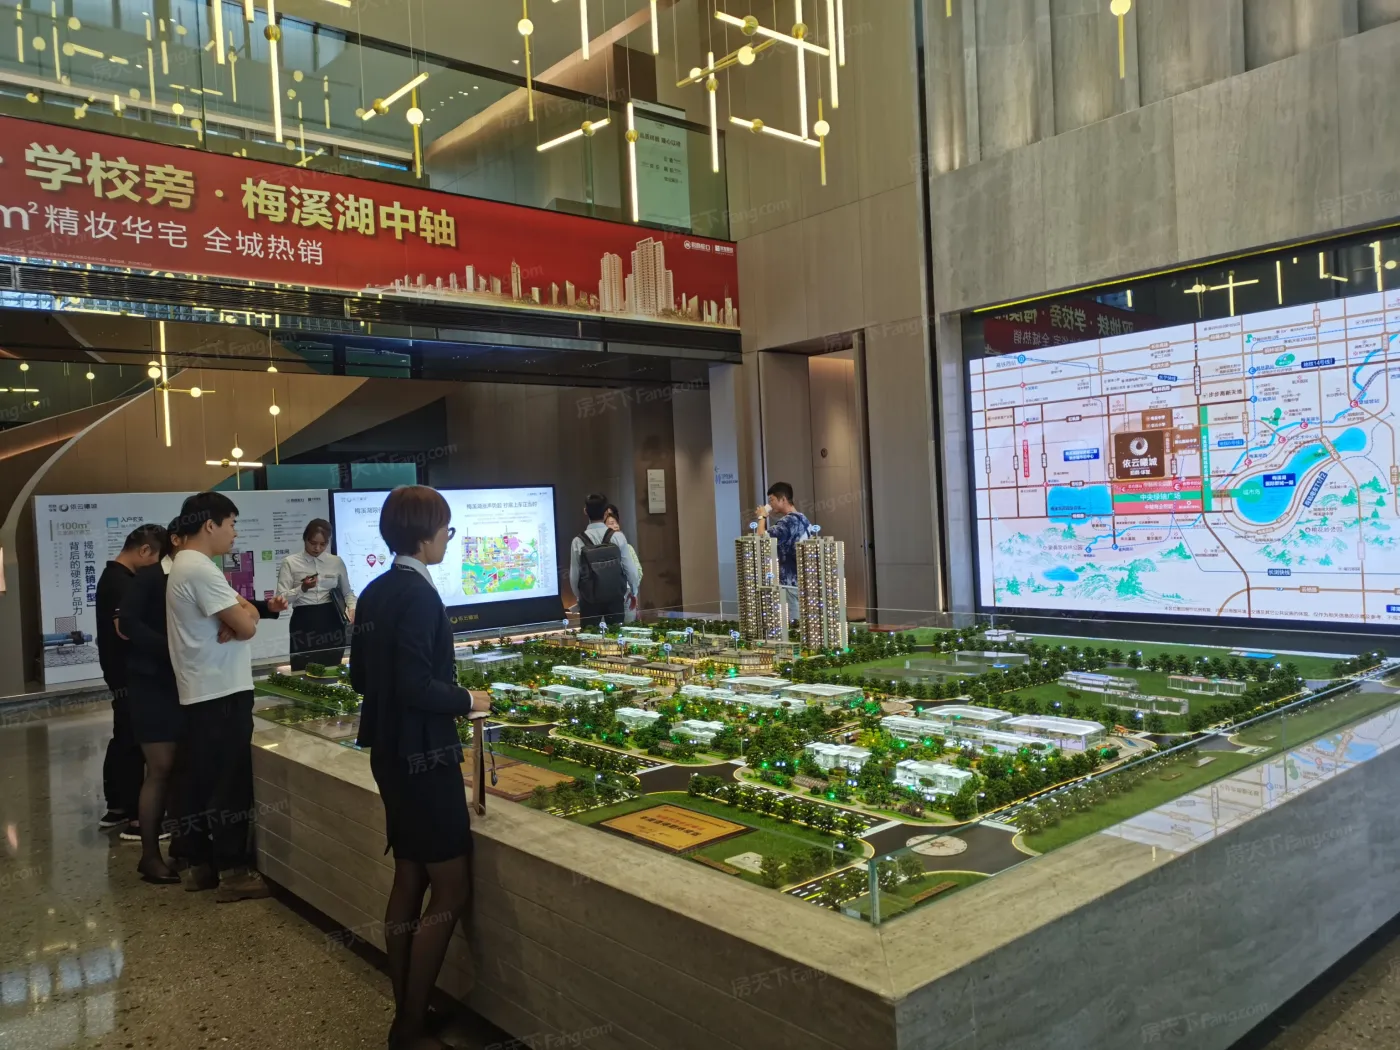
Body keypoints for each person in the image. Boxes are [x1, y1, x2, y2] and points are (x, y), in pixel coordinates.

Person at [352, 486, 489, 1050]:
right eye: (446, 530)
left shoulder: (375, 590)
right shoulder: (421, 596)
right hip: (425, 756)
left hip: (388, 753)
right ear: (426, 534)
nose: (447, 540)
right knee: (450, 889)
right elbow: (416, 685)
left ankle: (408, 1008)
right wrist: (469, 699)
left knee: (410, 876)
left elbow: (362, 680)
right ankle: (409, 1027)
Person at [167, 492, 284, 902]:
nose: (234, 533)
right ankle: (233, 873)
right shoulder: (199, 568)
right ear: (209, 524)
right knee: (229, 785)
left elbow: (245, 612)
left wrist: (242, 615)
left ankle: (199, 865)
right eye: (231, 524)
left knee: (200, 782)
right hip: (221, 692)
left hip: (203, 691)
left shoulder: (185, 565)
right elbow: (249, 624)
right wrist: (243, 619)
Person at [119, 522, 186, 882]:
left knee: (177, 768)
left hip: (182, 682)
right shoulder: (148, 577)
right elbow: (128, 623)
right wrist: (170, 648)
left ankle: (181, 847)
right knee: (159, 768)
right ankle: (149, 855)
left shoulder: (193, 574)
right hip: (151, 682)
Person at [95, 523, 165, 837]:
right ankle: (139, 821)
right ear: (145, 550)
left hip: (120, 672)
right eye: (157, 559)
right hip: (129, 674)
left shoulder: (113, 577)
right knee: (136, 745)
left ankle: (118, 808)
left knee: (123, 739)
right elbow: (127, 630)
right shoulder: (122, 583)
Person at [277, 518, 355, 671]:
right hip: (304, 619)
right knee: (303, 668)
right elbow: (281, 598)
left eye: (323, 544)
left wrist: (352, 608)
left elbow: (347, 592)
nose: (317, 548)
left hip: (332, 619)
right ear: (305, 539)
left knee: (332, 668)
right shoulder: (290, 562)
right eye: (313, 543)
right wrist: (302, 588)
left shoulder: (336, 562)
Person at [568, 493, 639, 628]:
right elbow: (630, 569)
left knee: (590, 637)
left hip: (589, 601)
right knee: (616, 636)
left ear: (585, 511)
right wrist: (633, 591)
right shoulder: (618, 537)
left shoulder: (578, 541)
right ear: (606, 513)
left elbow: (574, 575)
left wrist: (581, 596)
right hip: (615, 597)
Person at [756, 481, 811, 621]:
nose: (770, 504)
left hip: (789, 583)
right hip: (803, 582)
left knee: (792, 625)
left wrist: (762, 517)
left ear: (783, 499)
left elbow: (762, 539)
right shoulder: (803, 519)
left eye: (772, 500)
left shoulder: (788, 522)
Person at [603, 503, 643, 622]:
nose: (615, 526)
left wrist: (633, 590)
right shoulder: (600, 550)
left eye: (616, 522)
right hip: (608, 598)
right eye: (611, 523)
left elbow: (638, 571)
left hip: (628, 595)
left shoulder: (628, 547)